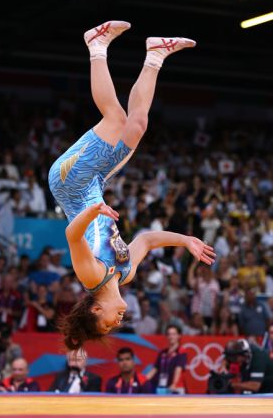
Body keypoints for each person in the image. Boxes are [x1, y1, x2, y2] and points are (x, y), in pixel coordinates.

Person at [48, 20, 214, 351]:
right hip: (92, 183)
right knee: (136, 125)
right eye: (115, 326)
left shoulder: (91, 275)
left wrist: (93, 209)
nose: (117, 322)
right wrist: (186, 241)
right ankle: (155, 54)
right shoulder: (124, 273)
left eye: (108, 322)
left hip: (70, 185)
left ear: (95, 308)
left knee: (116, 120)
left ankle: (96, 45)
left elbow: (72, 235)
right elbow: (148, 239)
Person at [145, 325, 187, 393]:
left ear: (179, 336)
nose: (171, 337)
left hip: (176, 388)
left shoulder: (181, 351)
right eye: (169, 334)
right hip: (162, 388)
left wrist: (174, 384)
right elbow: (155, 369)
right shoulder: (162, 353)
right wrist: (143, 380)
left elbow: (178, 369)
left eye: (174, 334)